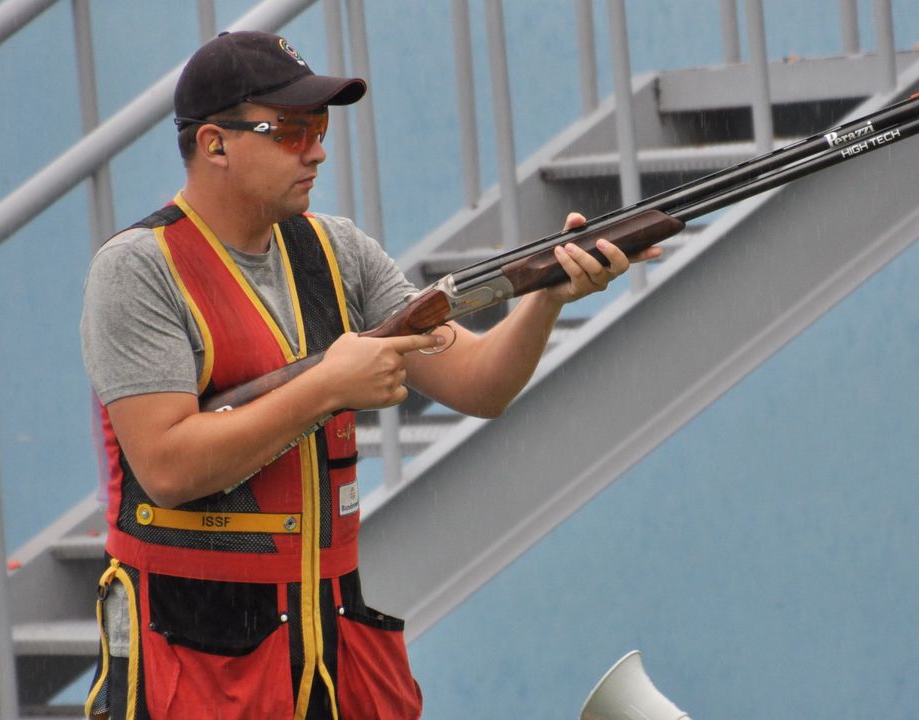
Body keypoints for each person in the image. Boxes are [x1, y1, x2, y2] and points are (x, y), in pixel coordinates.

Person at [79, 30, 657, 720]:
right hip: (196, 674)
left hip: (331, 660)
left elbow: (479, 384)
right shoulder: (138, 270)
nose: (318, 149)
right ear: (215, 144)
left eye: (318, 127)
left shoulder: (339, 250)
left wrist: (545, 300)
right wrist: (328, 388)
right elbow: (168, 465)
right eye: (291, 130)